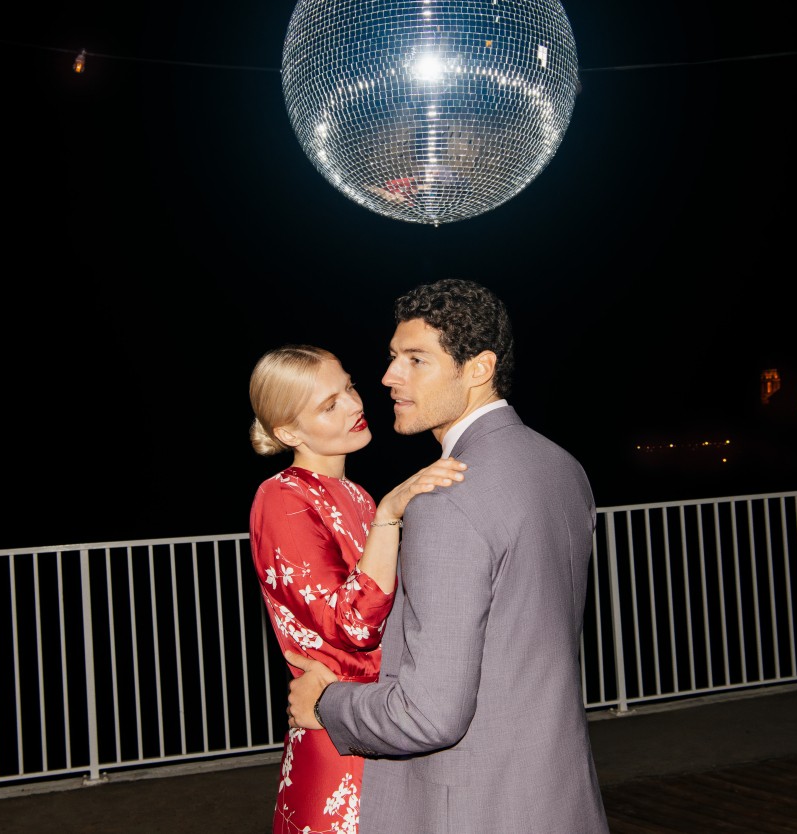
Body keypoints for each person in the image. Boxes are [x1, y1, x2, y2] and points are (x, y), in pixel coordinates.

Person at [284, 280, 610, 833]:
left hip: (474, 811)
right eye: (393, 357)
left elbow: (428, 715)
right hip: (558, 797)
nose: (389, 377)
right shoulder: (561, 467)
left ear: (478, 368)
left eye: (416, 359)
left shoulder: (446, 502)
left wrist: (327, 704)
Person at [248, 344, 467, 834]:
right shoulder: (281, 497)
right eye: (329, 405)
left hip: (376, 721)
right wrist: (390, 515)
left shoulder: (356, 495)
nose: (353, 404)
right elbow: (354, 626)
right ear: (288, 432)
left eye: (348, 387)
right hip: (337, 740)